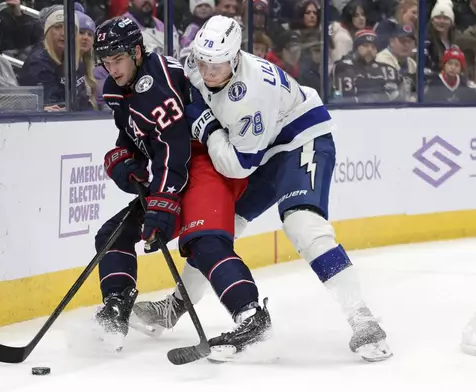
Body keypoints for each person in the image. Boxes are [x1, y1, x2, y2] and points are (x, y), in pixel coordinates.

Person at [132, 15, 393, 363]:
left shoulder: (250, 95)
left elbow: (238, 164)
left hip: (300, 140)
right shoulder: (200, 60)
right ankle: (175, 306)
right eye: (204, 63)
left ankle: (363, 318)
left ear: (236, 57)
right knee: (217, 228)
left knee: (303, 225)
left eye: (218, 65)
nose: (208, 73)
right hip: (264, 147)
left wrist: (207, 127)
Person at [91, 16, 271, 360]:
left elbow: (175, 148)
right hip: (172, 167)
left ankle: (252, 317)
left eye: (118, 59)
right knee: (112, 235)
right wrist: (123, 159)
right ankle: (116, 307)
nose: (112, 68)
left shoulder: (156, 85)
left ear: (137, 51)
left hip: (203, 162)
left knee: (203, 241)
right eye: (106, 61)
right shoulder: (118, 88)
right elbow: (135, 135)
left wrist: (161, 205)